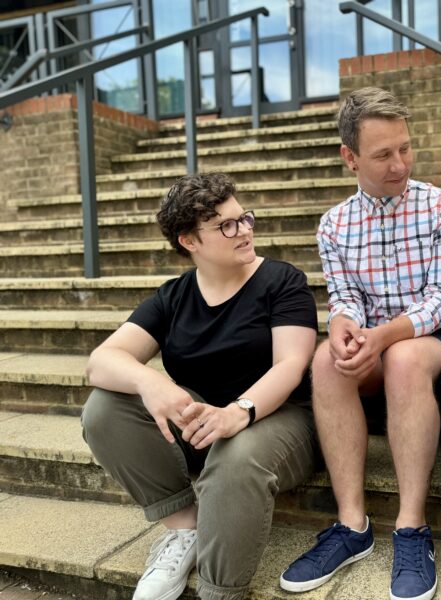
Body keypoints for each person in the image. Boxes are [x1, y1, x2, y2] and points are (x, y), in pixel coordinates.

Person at [81, 172, 319, 600]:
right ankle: (184, 526)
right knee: (103, 408)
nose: (244, 230)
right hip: (203, 423)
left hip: (280, 423)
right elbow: (100, 362)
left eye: (244, 217)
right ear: (190, 241)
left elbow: (291, 364)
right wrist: (148, 381)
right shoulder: (174, 297)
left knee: (236, 457)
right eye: (227, 225)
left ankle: (220, 591)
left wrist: (238, 412)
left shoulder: (282, 282)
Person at [279, 87, 441, 600]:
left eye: (405, 148)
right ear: (350, 158)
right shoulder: (334, 225)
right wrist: (342, 323)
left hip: (428, 340)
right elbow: (345, 296)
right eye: (384, 154)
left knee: (404, 357)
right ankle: (352, 525)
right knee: (325, 358)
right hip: (372, 341)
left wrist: (384, 335)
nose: (400, 164)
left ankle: (411, 528)